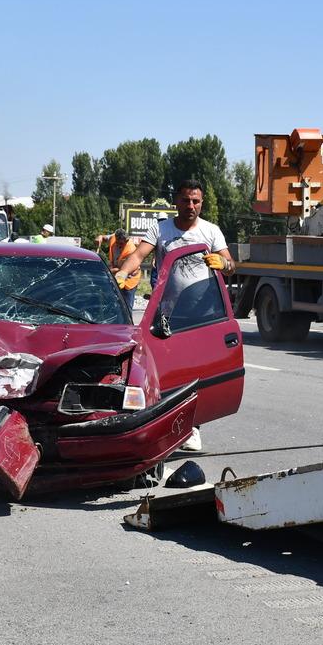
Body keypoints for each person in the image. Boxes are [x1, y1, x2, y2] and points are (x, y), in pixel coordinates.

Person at [115, 180, 234, 452]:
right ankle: (160, 424)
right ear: (176, 202)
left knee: (197, 373)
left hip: (200, 316)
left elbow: (231, 265)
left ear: (201, 204)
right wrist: (124, 272)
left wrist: (224, 263)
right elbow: (139, 255)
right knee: (165, 371)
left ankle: (193, 427)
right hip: (167, 313)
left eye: (196, 201)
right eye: (186, 200)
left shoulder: (211, 231)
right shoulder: (161, 228)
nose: (191, 206)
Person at [96, 228, 140, 310]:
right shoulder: (113, 238)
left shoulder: (131, 250)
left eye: (126, 242)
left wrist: (106, 271)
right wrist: (100, 237)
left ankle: (127, 323)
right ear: (117, 239)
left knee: (126, 307)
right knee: (115, 306)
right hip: (117, 277)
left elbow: (122, 270)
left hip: (129, 280)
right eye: (122, 242)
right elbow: (105, 237)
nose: (124, 244)